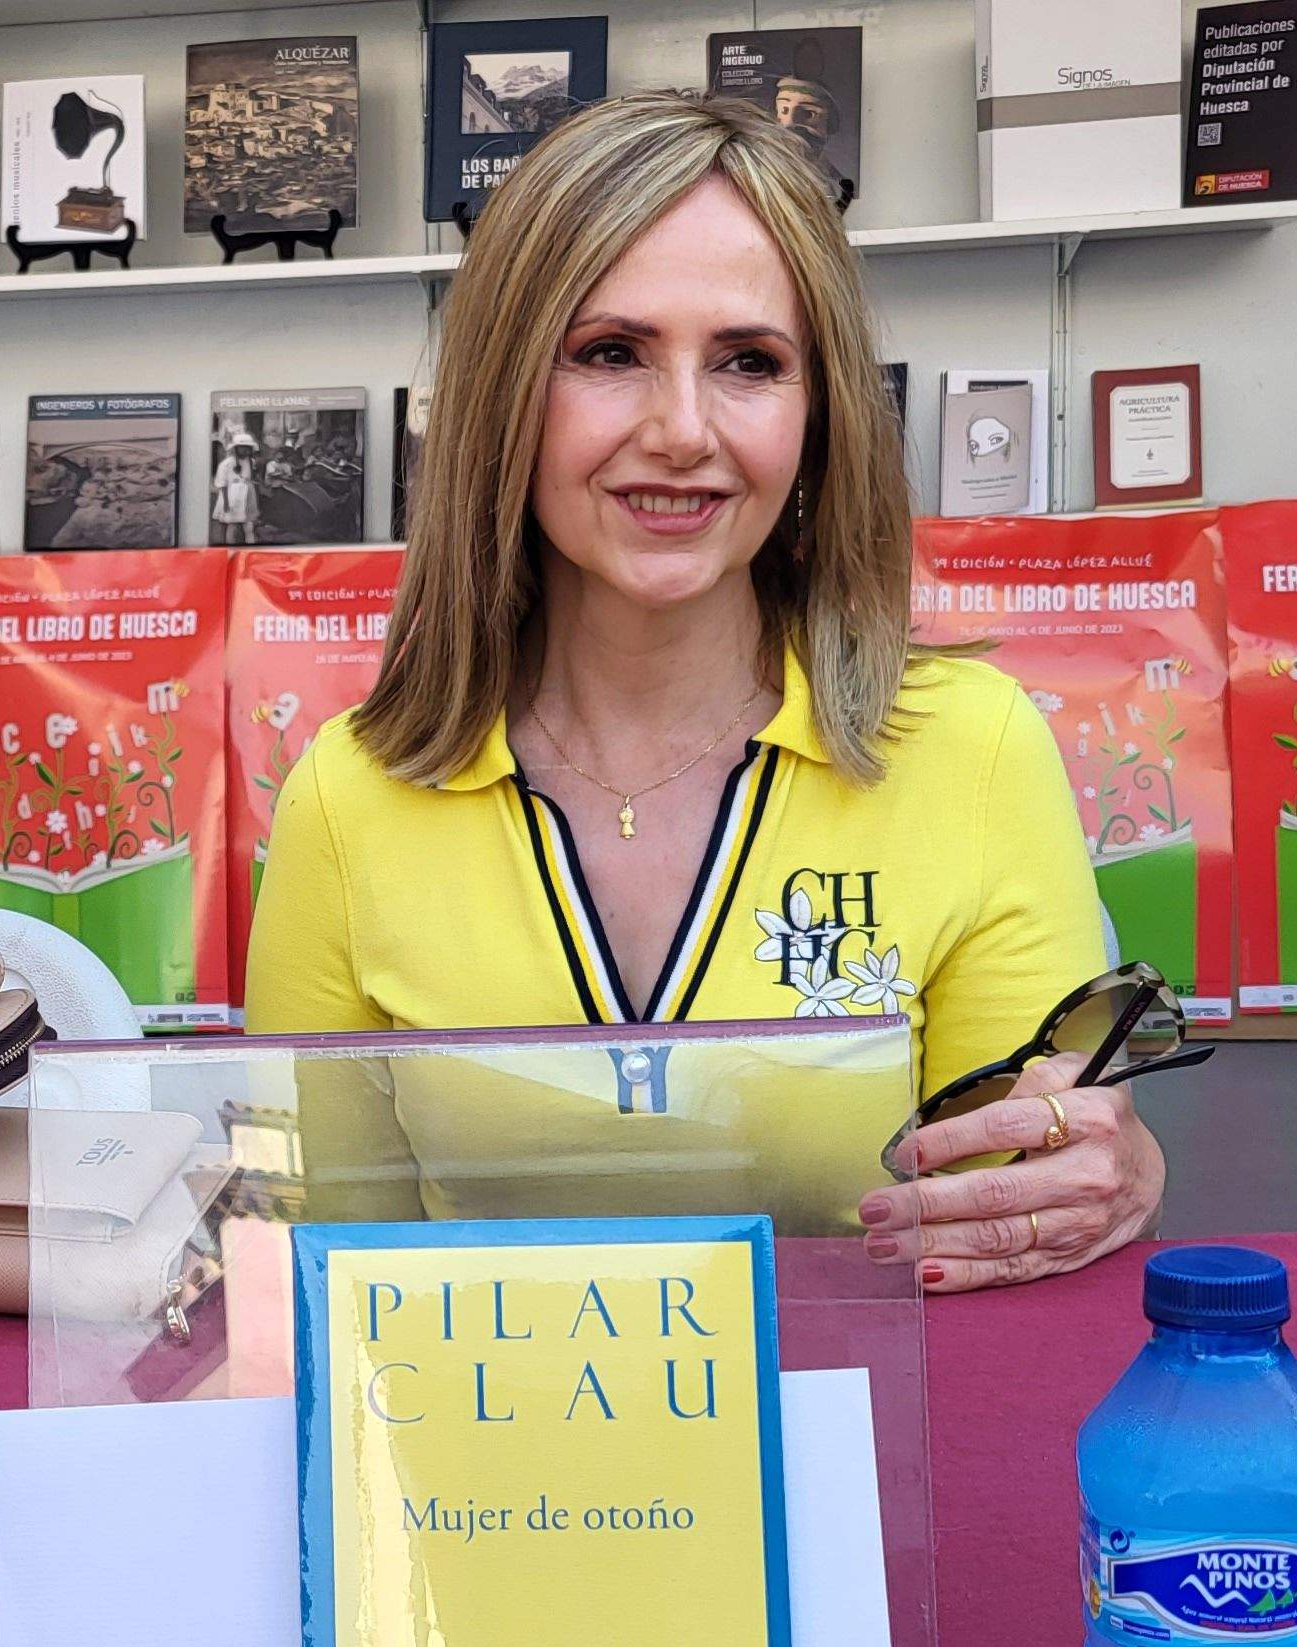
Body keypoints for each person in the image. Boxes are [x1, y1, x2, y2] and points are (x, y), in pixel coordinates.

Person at [242, 92, 1165, 1293]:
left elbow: (1011, 1220)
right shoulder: (346, 800)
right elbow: (308, 1258)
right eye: (609, 353)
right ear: (500, 396)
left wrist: (1099, 1170)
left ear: (818, 416)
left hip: (858, 1446)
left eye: (747, 363)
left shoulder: (973, 750)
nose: (682, 431)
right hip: (478, 1454)